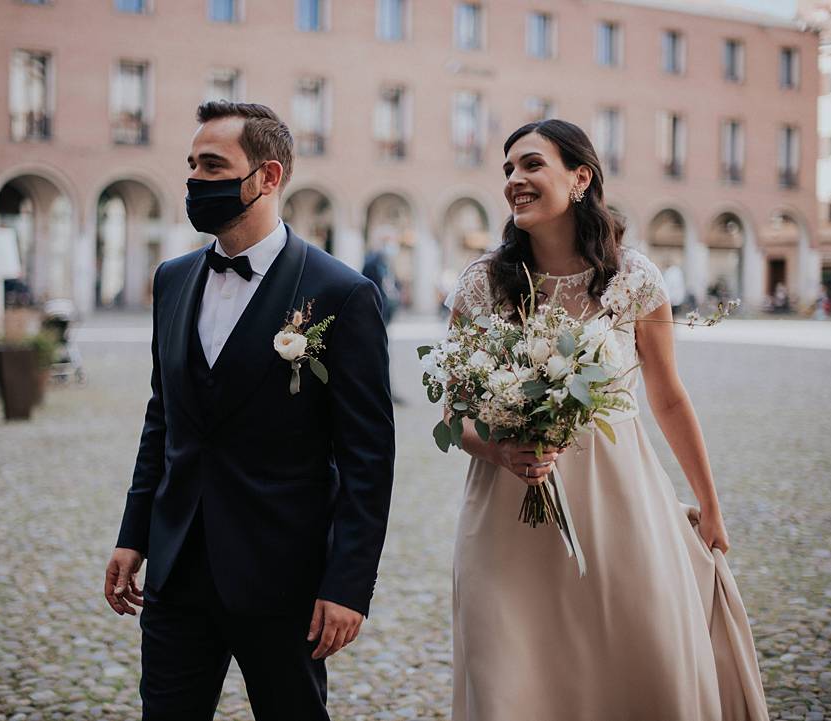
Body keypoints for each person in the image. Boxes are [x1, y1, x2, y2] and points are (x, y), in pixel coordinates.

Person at [445, 119, 769, 721]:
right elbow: (455, 414)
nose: (515, 179)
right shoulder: (481, 286)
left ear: (581, 177)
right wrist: (498, 452)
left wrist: (710, 503)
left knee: (626, 659)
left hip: (618, 504)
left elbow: (668, 397)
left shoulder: (634, 280)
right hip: (505, 516)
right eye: (508, 169)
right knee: (510, 673)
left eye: (532, 164)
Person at [104, 102, 395, 721]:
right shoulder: (174, 279)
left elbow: (368, 459)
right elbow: (164, 418)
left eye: (213, 165)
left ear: (267, 177)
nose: (194, 182)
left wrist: (347, 586)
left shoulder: (341, 293)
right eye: (191, 165)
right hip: (177, 567)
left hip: (283, 578)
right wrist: (134, 534)